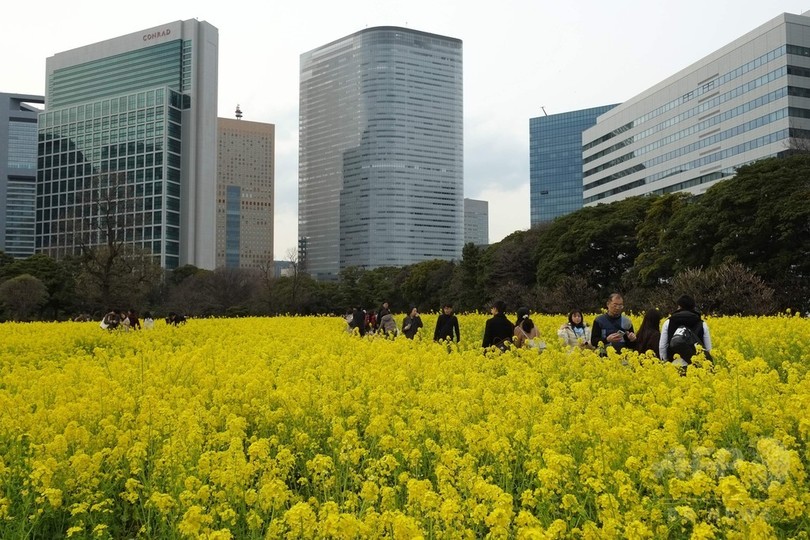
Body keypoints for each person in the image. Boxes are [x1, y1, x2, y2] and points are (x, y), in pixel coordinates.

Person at [659, 295, 712, 366]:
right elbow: (708, 348)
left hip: (674, 365)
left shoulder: (668, 322)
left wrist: (665, 362)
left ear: (679, 307)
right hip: (697, 366)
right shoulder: (702, 323)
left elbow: (662, 346)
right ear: (693, 307)